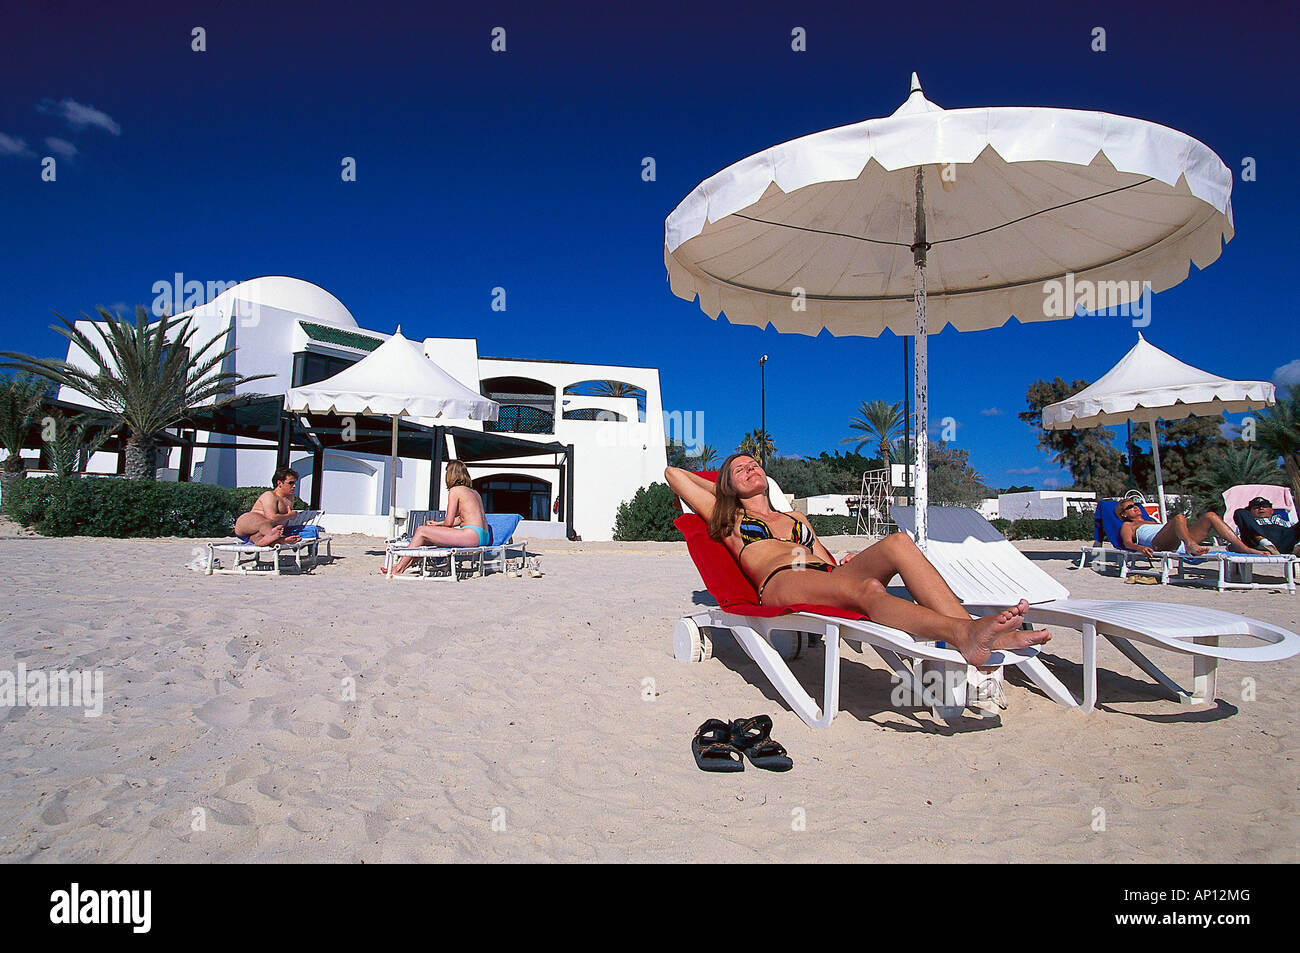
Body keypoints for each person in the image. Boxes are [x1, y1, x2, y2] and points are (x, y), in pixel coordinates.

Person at [664, 454, 1050, 668]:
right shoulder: (730, 519)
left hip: (822, 575)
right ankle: (964, 634)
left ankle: (979, 633)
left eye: (755, 465)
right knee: (866, 589)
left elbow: (825, 561)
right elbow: (674, 473)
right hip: (782, 581)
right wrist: (727, 488)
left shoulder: (796, 519)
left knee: (899, 542)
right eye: (741, 470)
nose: (752, 469)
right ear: (728, 485)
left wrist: (845, 562)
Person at [385, 460, 489, 575]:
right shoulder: (474, 492)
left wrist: (438, 525)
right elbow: (461, 519)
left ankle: (397, 568)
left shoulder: (455, 490)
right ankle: (401, 567)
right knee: (425, 539)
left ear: (450, 475)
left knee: (421, 531)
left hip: (472, 535)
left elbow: (449, 522)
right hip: (484, 536)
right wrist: (437, 524)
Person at [1113, 497, 1265, 556]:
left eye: (1136, 504)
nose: (1135, 507)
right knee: (1179, 517)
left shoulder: (1151, 521)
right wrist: (1140, 548)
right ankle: (1190, 545)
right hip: (1160, 543)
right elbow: (1127, 543)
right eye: (1130, 507)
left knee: (1210, 516)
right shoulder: (1128, 525)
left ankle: (1244, 548)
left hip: (1179, 540)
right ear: (1124, 514)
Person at [233, 466, 302, 546]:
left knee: (260, 536)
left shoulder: (290, 498)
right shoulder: (269, 495)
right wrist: (289, 515)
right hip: (248, 523)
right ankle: (279, 539)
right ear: (279, 483)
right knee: (265, 523)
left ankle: (264, 541)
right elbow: (271, 517)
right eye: (290, 483)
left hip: (262, 532)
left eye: (294, 483)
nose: (294, 486)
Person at [1233, 496, 1300, 555]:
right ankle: (1265, 543)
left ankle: (1296, 548)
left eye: (1265, 506)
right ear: (1250, 512)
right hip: (1258, 543)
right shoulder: (1246, 522)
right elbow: (1237, 540)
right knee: (1239, 512)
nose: (1261, 508)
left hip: (1284, 542)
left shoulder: (1284, 522)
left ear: (1272, 511)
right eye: (1256, 507)